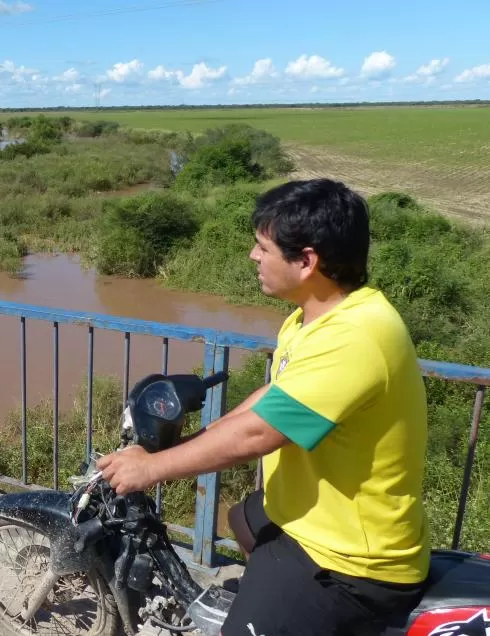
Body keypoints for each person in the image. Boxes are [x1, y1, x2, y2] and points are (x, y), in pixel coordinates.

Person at [97, 178, 430, 635]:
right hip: (307, 516)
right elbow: (271, 401)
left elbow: (259, 435)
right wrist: (170, 450)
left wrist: (151, 470)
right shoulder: (310, 318)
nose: (254, 256)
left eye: (263, 248)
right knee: (242, 517)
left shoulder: (356, 337)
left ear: (307, 260)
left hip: (346, 560)